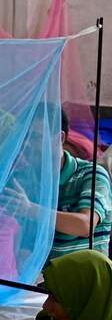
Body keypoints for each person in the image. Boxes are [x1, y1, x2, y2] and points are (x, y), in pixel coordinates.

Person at [49, 109, 111, 259]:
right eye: (27, 139)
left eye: (38, 138)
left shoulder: (92, 174)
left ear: (61, 138)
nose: (31, 145)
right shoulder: (29, 178)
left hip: (85, 276)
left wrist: (32, 210)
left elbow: (85, 225)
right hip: (44, 277)